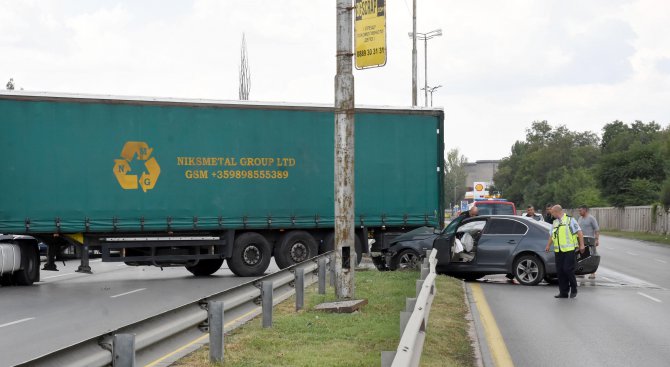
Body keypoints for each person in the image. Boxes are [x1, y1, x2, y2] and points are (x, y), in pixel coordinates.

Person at [545, 205, 585, 299]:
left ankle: (574, 288)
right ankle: (563, 292)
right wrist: (548, 245)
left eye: (552, 214)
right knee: (560, 271)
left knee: (568, 269)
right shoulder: (555, 222)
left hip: (569, 250)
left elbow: (579, 232)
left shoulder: (570, 220)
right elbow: (552, 235)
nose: (552, 216)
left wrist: (582, 245)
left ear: (556, 212)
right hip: (558, 251)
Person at [578, 205, 600, 279]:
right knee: (582, 257)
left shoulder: (591, 218)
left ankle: (592, 273)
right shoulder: (580, 218)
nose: (579, 212)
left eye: (580, 210)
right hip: (582, 240)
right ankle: (582, 272)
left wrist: (596, 239)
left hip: (590, 240)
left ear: (585, 210)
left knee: (591, 257)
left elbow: (596, 229)